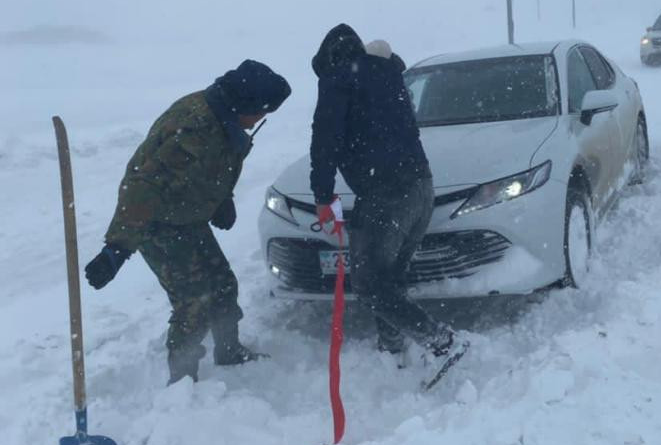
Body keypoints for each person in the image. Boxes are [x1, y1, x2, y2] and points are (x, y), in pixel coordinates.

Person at [84, 59, 292, 384]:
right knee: (193, 301)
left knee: (223, 283)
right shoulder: (195, 129)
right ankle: (182, 381)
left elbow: (217, 167)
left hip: (186, 217)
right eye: (262, 111)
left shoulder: (228, 119)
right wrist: (117, 250)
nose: (261, 119)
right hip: (155, 221)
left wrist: (224, 201)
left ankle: (228, 351)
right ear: (246, 103)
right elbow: (143, 187)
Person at [309, 23, 463, 363]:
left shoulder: (338, 80)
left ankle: (443, 342)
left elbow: (324, 144)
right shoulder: (391, 77)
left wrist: (323, 198)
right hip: (421, 186)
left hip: (385, 195)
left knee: (370, 286)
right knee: (390, 278)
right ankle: (393, 350)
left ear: (329, 59)